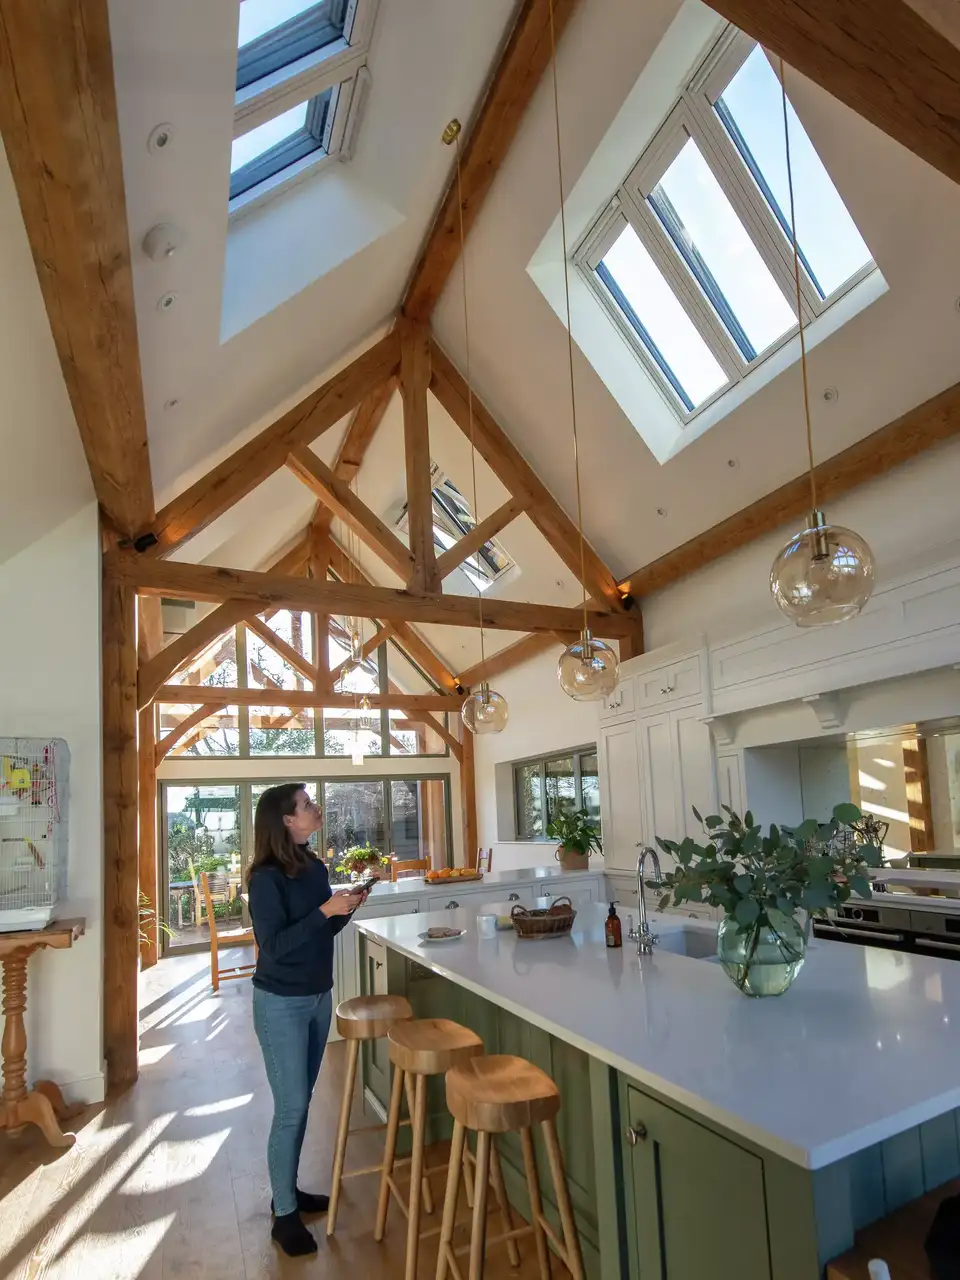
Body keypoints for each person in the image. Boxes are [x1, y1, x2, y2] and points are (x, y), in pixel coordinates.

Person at [246, 783, 374, 1257]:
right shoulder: (264, 878)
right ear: (286, 820)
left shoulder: (315, 867)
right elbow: (274, 945)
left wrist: (345, 908)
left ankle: (291, 1191)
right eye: (307, 804)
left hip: (319, 997)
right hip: (280, 1003)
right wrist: (325, 909)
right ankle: (284, 1216)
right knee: (292, 1108)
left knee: (299, 1104)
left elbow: (319, 930)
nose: (315, 808)